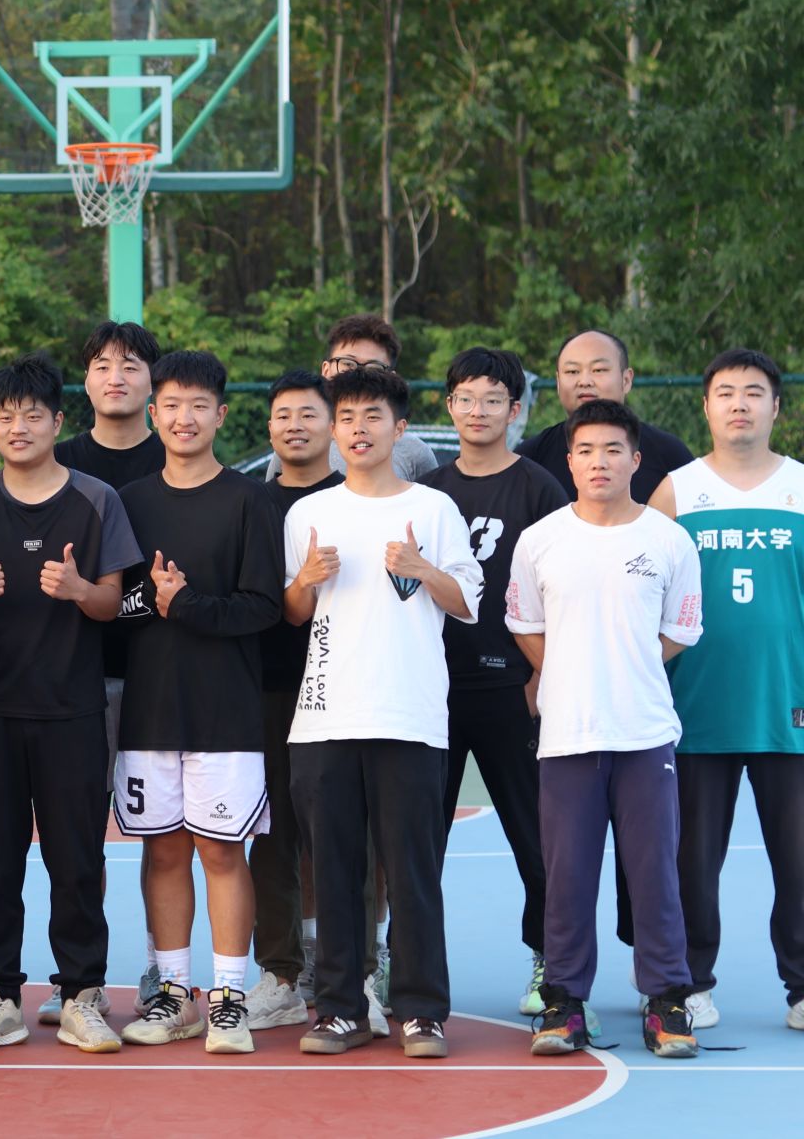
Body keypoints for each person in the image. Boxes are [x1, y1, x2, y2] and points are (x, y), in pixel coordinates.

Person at [281, 365, 481, 1060]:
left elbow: (467, 602)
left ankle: (422, 1011)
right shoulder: (308, 513)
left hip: (409, 715)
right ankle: (341, 1009)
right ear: (334, 431)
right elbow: (295, 611)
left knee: (412, 871)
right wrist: (306, 581)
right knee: (334, 872)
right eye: (347, 418)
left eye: (373, 416)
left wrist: (424, 569)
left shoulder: (435, 508)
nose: (358, 429)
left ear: (401, 427)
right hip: (325, 717)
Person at [0, 353, 137, 1054]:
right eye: (5, 415)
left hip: (73, 711)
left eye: (32, 414)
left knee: (77, 862)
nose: (18, 426)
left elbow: (113, 603)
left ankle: (82, 994)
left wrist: (80, 590)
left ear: (58, 421)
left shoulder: (96, 500)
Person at [507, 399, 705, 1059]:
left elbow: (678, 632)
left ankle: (667, 999)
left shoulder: (668, 540)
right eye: (587, 450)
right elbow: (526, 626)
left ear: (635, 459)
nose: (600, 461)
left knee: (655, 876)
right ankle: (564, 1002)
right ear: (570, 461)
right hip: (568, 734)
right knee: (567, 878)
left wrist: (627, 663)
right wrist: (572, 671)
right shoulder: (541, 540)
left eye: (613, 449)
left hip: (646, 733)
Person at [114, 351, 285, 1054]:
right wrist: (154, 601)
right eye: (172, 405)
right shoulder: (130, 501)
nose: (184, 418)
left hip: (225, 711)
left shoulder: (250, 501)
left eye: (198, 405)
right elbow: (118, 604)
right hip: (150, 709)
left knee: (221, 851)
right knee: (162, 852)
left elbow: (263, 606)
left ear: (221, 414)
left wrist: (186, 604)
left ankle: (228, 1000)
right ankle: (175, 995)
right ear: (154, 413)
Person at [649, 349, 804, 1032]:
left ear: (776, 406)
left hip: (789, 706)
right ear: (706, 406)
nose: (739, 403)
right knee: (692, 861)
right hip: (695, 706)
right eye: (726, 392)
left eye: (754, 391)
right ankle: (689, 982)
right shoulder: (676, 492)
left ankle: (801, 987)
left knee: (799, 861)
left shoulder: (801, 486)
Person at [419, 347, 564, 1014]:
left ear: (515, 409)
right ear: (449, 406)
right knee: (418, 845)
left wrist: (542, 672)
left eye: (493, 400)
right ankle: (408, 965)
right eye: (466, 399)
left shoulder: (539, 488)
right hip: (432, 692)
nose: (478, 411)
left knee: (537, 838)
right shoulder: (428, 493)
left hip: (514, 690)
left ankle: (551, 963)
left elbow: (560, 587)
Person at [54, 320, 164, 1019]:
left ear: (153, 380)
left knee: (164, 837)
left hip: (159, 676)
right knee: (77, 837)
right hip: (74, 679)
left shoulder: (178, 453)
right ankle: (79, 977)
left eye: (130, 364)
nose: (115, 376)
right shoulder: (56, 459)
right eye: (101, 364)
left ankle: (162, 970)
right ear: (86, 380)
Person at [247, 369, 343, 1029]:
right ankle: (279, 973)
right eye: (283, 415)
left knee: (345, 836)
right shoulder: (251, 502)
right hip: (268, 687)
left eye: (308, 414)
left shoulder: (357, 498)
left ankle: (350, 974)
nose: (295, 426)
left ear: (331, 425)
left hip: (347, 690)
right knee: (272, 836)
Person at [515, 329, 696, 504]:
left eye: (599, 370)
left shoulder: (670, 455)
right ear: (558, 382)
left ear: (626, 380)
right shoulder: (530, 458)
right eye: (572, 371)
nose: (585, 381)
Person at [269, 315, 439, 482]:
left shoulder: (414, 453)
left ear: (391, 378)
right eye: (348, 364)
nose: (358, 376)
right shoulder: (297, 443)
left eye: (373, 368)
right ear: (326, 371)